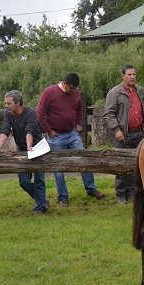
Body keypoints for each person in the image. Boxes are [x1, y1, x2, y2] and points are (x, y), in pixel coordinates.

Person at [36, 72, 105, 207]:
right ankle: (63, 196)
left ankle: (91, 188)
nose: (73, 91)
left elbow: (80, 108)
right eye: (71, 88)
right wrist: (49, 130)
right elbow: (40, 112)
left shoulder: (75, 93)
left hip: (72, 133)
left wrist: (78, 123)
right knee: (59, 167)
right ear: (64, 83)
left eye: (75, 89)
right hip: (56, 135)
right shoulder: (49, 92)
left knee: (83, 159)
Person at [0, 90, 49, 215]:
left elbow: (30, 130)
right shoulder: (9, 114)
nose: (6, 106)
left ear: (18, 103)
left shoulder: (30, 113)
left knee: (39, 179)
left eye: (8, 103)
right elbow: (5, 130)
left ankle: (40, 208)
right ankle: (42, 200)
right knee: (24, 182)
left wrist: (29, 146)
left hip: (37, 148)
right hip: (23, 150)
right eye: (5, 103)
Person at [104, 64, 144, 204]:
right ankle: (120, 193)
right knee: (120, 165)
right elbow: (109, 114)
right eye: (129, 75)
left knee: (136, 165)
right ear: (123, 76)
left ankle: (132, 191)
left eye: (134, 75)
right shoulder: (115, 93)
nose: (132, 77)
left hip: (139, 134)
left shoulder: (140, 91)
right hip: (123, 135)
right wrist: (116, 130)